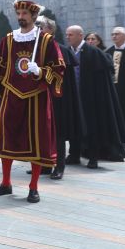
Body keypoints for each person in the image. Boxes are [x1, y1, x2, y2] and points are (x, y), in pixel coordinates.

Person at [0, 0, 63, 202]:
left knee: (37, 141)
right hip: (11, 95)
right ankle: (5, 183)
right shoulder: (9, 39)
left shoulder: (46, 40)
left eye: (24, 14)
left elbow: (59, 69)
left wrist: (40, 70)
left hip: (36, 97)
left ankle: (34, 186)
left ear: (34, 17)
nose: (20, 17)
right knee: (7, 139)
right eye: (18, 13)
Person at [63, 25, 125, 169]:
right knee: (75, 126)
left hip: (90, 97)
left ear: (80, 35)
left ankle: (93, 157)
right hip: (74, 96)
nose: (67, 37)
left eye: (70, 35)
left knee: (91, 127)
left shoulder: (93, 53)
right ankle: (74, 154)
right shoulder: (67, 52)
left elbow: (103, 78)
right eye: (67, 35)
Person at [40, 17, 83, 180]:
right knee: (41, 133)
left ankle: (59, 166)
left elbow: (62, 78)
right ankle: (43, 165)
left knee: (58, 134)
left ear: (50, 30)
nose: (38, 31)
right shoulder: (36, 49)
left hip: (57, 99)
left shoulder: (61, 50)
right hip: (40, 98)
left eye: (41, 28)